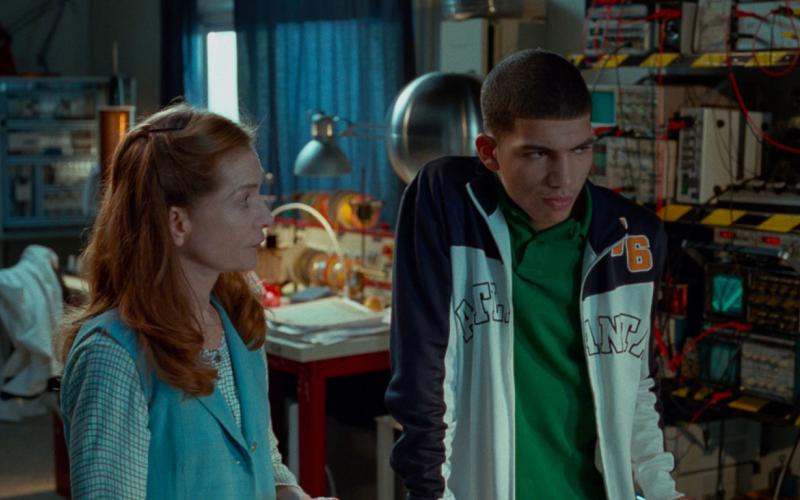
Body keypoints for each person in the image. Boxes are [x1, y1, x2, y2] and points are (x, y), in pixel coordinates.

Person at [385, 49, 689, 500]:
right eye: (538, 153)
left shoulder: (631, 236)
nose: (563, 178)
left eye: (580, 149)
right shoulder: (447, 202)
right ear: (489, 153)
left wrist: (662, 491)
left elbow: (636, 388)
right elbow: (423, 376)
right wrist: (430, 493)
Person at [59, 104, 333, 500]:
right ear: (178, 222)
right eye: (245, 199)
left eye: (259, 193)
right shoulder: (112, 357)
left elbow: (262, 461)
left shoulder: (239, 322)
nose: (266, 216)